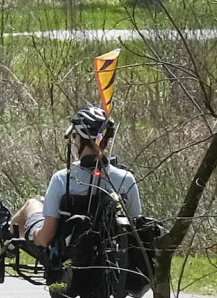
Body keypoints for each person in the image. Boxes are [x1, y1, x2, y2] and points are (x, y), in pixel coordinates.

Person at [10, 107, 146, 274]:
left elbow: (45, 239)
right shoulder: (126, 179)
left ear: (80, 139)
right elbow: (134, 225)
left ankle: (11, 236)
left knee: (32, 204)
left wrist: (32, 235)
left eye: (75, 137)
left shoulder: (62, 179)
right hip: (108, 260)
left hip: (61, 256)